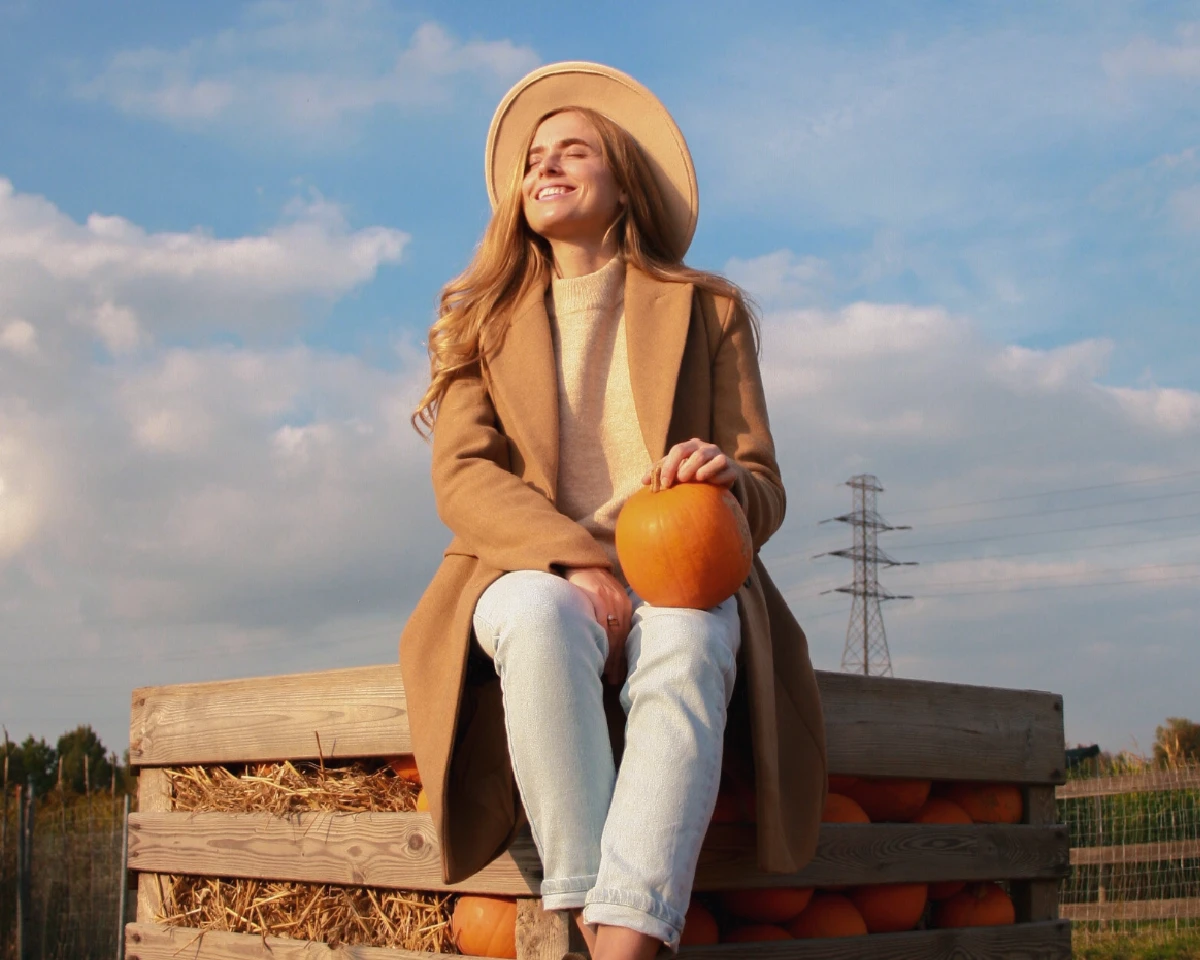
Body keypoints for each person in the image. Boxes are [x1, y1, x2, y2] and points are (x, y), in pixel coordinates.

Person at [401, 62, 826, 960]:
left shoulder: (707, 309)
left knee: (694, 636)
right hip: (535, 571)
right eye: (533, 160)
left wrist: (729, 481)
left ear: (622, 178)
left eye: (574, 152)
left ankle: (614, 937)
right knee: (533, 613)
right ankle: (606, 915)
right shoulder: (483, 322)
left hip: (680, 568)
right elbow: (465, 479)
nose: (546, 169)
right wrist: (576, 561)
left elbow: (764, 482)